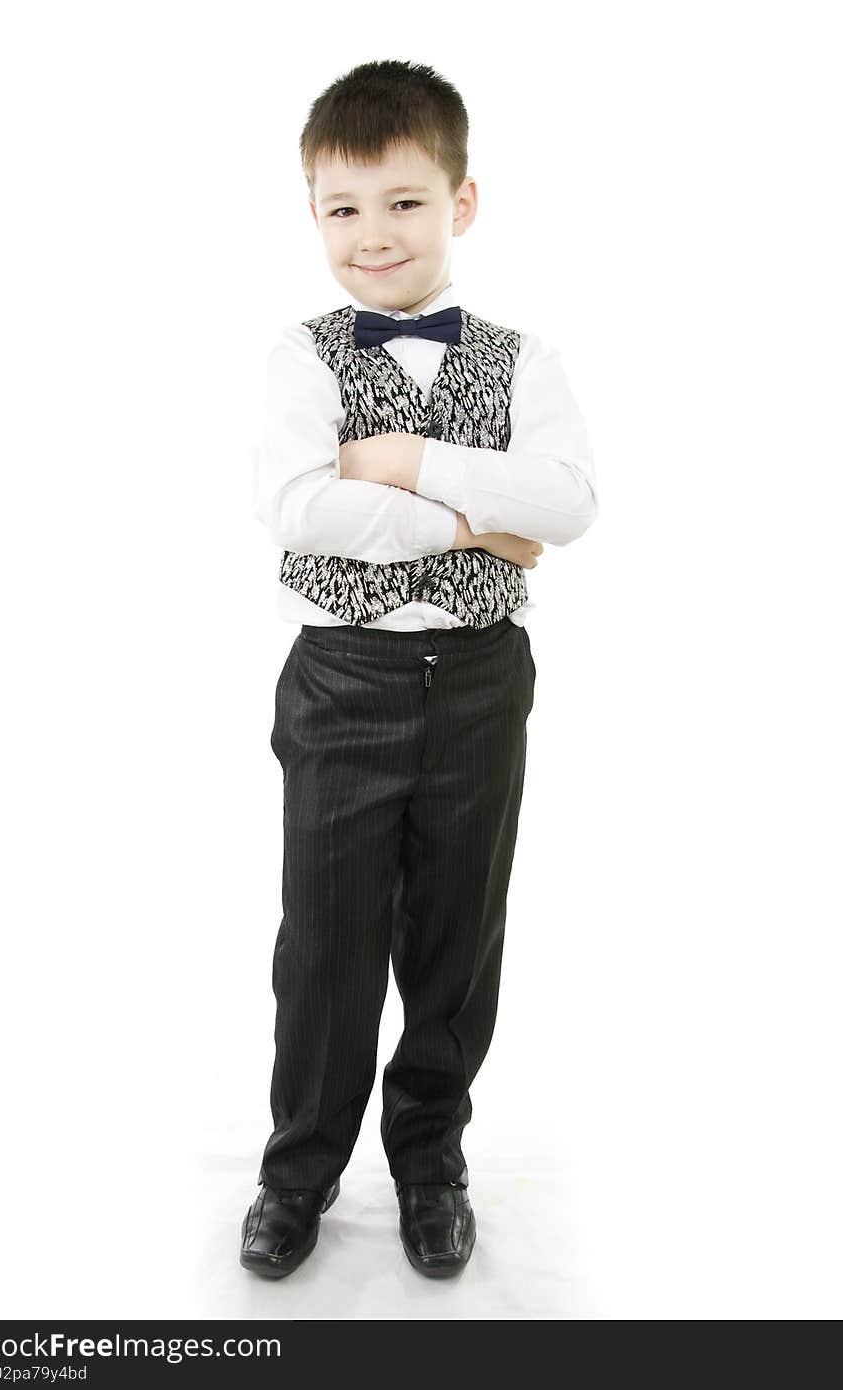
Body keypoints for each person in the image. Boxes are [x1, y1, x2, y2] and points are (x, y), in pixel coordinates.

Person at [241, 58, 598, 1280]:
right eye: (343, 209)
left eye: (402, 201)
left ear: (462, 202)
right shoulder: (301, 354)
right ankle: (298, 1170)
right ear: (313, 216)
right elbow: (300, 510)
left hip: (485, 684)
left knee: (455, 939)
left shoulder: (525, 355)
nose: (372, 234)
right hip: (345, 680)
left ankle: (429, 1160)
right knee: (327, 945)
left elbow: (567, 504)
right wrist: (480, 523)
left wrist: (403, 460)